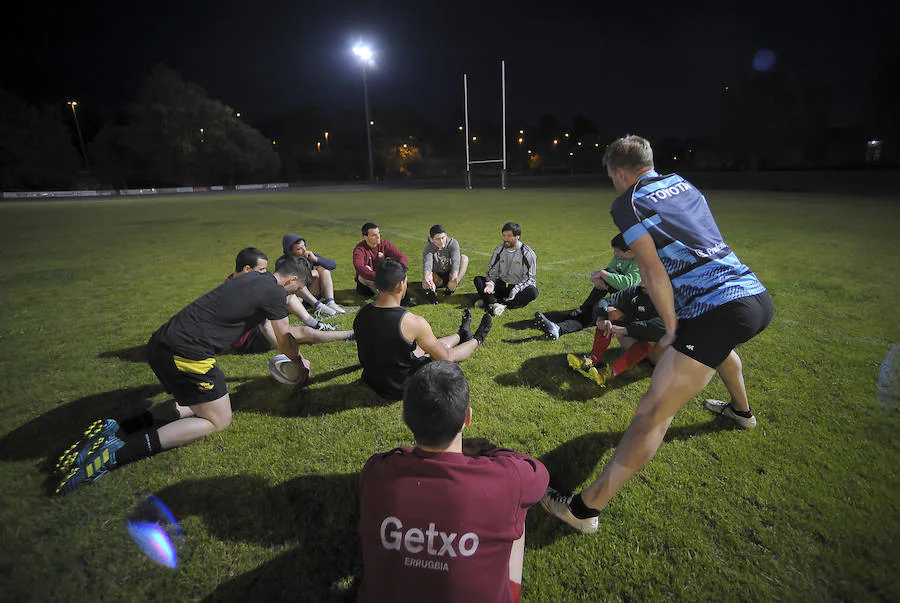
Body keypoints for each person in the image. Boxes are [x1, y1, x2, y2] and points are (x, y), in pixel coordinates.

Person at [541, 135, 774, 533]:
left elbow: (652, 271)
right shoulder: (683, 182)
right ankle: (741, 412)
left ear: (617, 172)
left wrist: (672, 327)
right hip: (752, 294)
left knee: (651, 413)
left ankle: (584, 510)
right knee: (717, 352)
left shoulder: (627, 202)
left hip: (714, 308)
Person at [55, 255, 315, 495]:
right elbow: (284, 337)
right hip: (186, 353)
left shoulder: (254, 277)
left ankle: (119, 430)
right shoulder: (274, 292)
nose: (297, 293)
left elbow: (266, 327)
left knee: (194, 403)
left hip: (162, 343)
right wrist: (298, 363)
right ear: (292, 279)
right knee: (218, 419)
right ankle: (117, 454)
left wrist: (289, 352)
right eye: (298, 287)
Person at [358, 361, 549, 603]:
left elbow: (389, 458)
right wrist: (487, 450)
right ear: (467, 417)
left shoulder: (376, 472)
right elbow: (539, 474)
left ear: (404, 417)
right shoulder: (507, 480)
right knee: (517, 508)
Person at [353, 259, 492, 400]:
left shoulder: (361, 313)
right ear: (401, 285)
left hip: (372, 379)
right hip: (400, 387)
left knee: (424, 348)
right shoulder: (412, 322)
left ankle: (461, 334)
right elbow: (446, 358)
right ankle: (478, 338)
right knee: (445, 354)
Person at [227, 247, 353, 353]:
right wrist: (289, 354)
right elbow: (265, 325)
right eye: (261, 270)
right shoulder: (246, 289)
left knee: (290, 296)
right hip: (248, 339)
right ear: (247, 269)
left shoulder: (239, 281)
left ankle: (317, 323)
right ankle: (350, 334)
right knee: (304, 332)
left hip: (256, 326)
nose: (265, 273)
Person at [534, 233, 641, 340]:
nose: (614, 253)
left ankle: (568, 318)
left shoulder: (641, 261)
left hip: (632, 304)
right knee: (589, 314)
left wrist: (602, 274)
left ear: (630, 252)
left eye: (617, 251)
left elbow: (628, 284)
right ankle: (558, 329)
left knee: (590, 310)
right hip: (617, 296)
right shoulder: (620, 256)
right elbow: (608, 274)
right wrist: (597, 278)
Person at [565, 283, 665, 386]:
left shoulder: (670, 298)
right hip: (635, 332)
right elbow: (605, 301)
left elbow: (660, 328)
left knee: (652, 337)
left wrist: (625, 330)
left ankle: (610, 373)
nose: (642, 281)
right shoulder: (636, 290)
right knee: (610, 312)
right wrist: (601, 319)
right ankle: (592, 360)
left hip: (661, 343)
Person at [473, 222, 538, 317]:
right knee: (478, 280)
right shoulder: (499, 249)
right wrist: (491, 283)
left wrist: (516, 289)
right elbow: (492, 271)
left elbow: (530, 278)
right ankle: (495, 304)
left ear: (517, 237)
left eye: (509, 236)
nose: (505, 239)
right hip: (501, 285)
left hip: (516, 289)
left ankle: (492, 302)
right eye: (504, 235)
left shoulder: (527, 253)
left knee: (533, 292)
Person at [353, 221, 416, 307]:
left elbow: (400, 257)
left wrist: (400, 270)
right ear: (366, 237)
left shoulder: (385, 244)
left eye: (378, 233)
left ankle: (403, 299)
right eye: (374, 235)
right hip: (367, 286)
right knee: (364, 274)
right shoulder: (359, 250)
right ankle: (387, 300)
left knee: (402, 272)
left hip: (383, 281)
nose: (378, 237)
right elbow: (359, 268)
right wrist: (380, 276)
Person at [282, 233, 346, 316]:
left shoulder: (307, 256)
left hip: (314, 291)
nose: (304, 250)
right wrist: (309, 274)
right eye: (299, 249)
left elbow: (332, 265)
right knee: (296, 281)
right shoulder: (283, 262)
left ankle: (331, 302)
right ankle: (318, 306)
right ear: (290, 251)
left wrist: (316, 259)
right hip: (302, 296)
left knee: (324, 269)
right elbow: (289, 281)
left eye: (304, 246)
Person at [421, 224, 469, 304]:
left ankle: (452, 287)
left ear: (446, 235)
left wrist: (454, 279)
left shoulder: (453, 243)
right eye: (437, 239)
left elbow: (455, 262)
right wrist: (426, 278)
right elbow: (427, 265)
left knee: (464, 258)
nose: (441, 241)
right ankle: (432, 294)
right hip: (438, 276)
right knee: (427, 276)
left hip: (450, 273)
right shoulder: (428, 248)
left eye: (443, 238)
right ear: (431, 239)